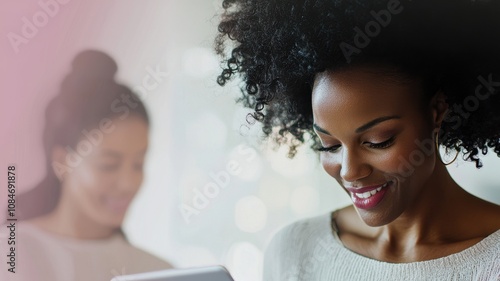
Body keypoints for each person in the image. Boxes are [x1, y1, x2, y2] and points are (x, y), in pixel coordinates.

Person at [215, 0, 500, 280]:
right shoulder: (294, 250)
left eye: (378, 141)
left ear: (437, 111)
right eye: (330, 145)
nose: (350, 171)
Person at [1, 50, 172, 281]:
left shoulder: (158, 272)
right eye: (109, 165)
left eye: (138, 164)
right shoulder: (10, 255)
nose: (128, 183)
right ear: (62, 161)